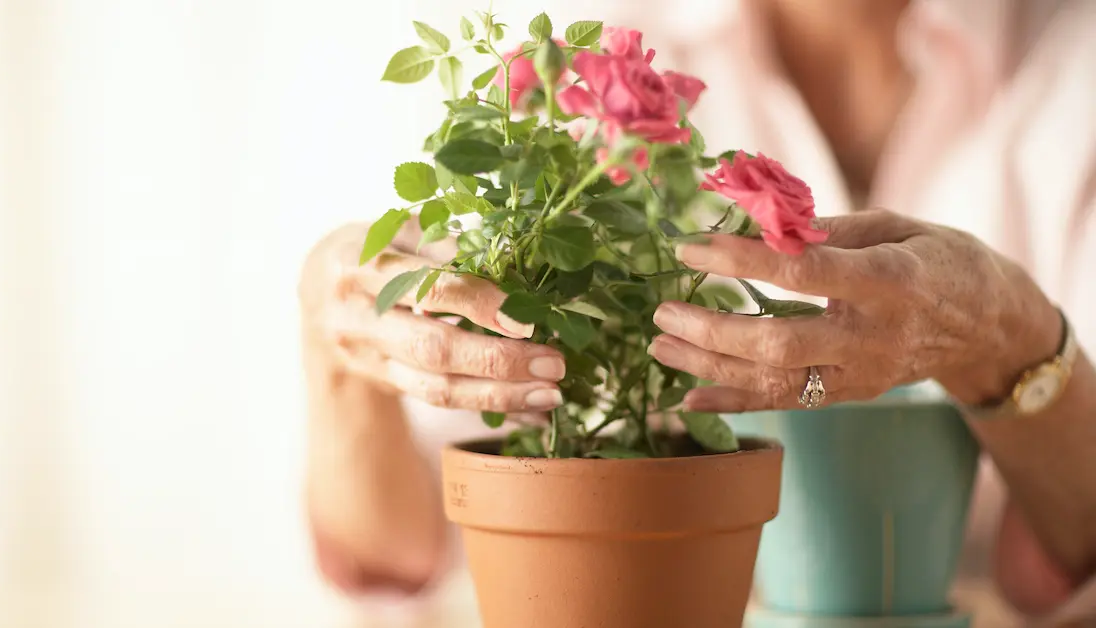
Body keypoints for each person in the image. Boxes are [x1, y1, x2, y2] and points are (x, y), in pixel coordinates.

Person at [298, 0, 1096, 623]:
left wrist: (1008, 332)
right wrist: (341, 361)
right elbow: (401, 555)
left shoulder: (1073, 58)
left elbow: (1074, 554)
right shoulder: (602, 55)